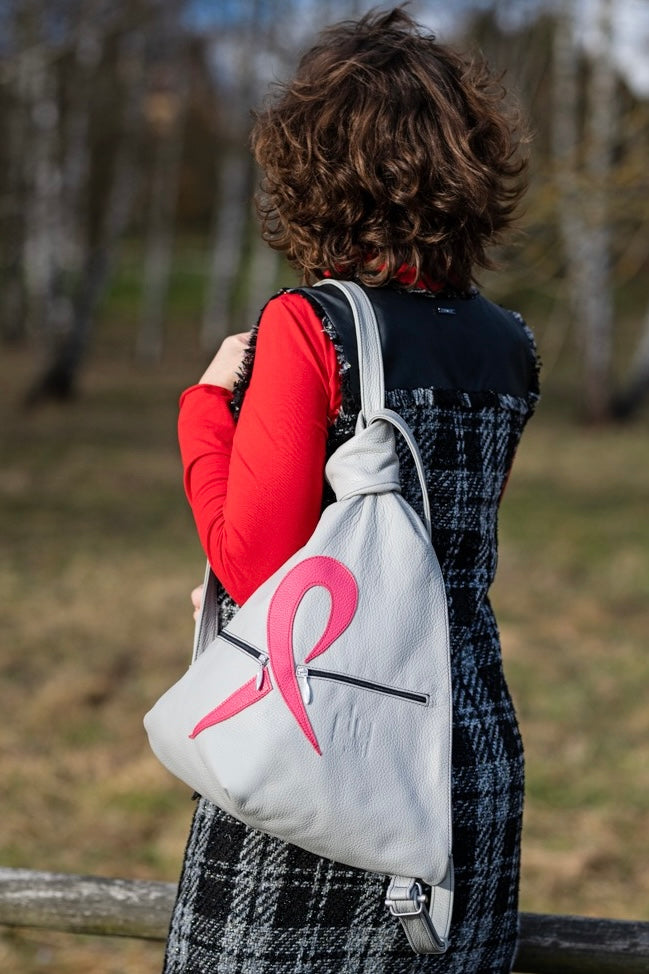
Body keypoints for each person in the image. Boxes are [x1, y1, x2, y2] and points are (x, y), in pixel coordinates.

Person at [162, 8, 539, 973]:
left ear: (314, 169)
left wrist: (202, 413)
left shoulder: (310, 326)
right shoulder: (509, 344)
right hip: (463, 751)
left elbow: (256, 561)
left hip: (333, 743)